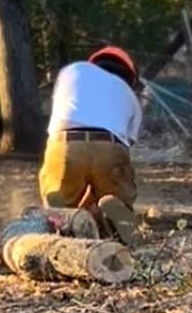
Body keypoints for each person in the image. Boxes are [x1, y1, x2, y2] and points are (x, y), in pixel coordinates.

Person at [39, 46, 143, 242]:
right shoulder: (130, 97)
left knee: (58, 205)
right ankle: (120, 224)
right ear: (128, 75)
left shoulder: (73, 71)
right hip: (110, 145)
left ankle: (68, 228)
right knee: (118, 196)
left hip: (65, 144)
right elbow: (126, 145)